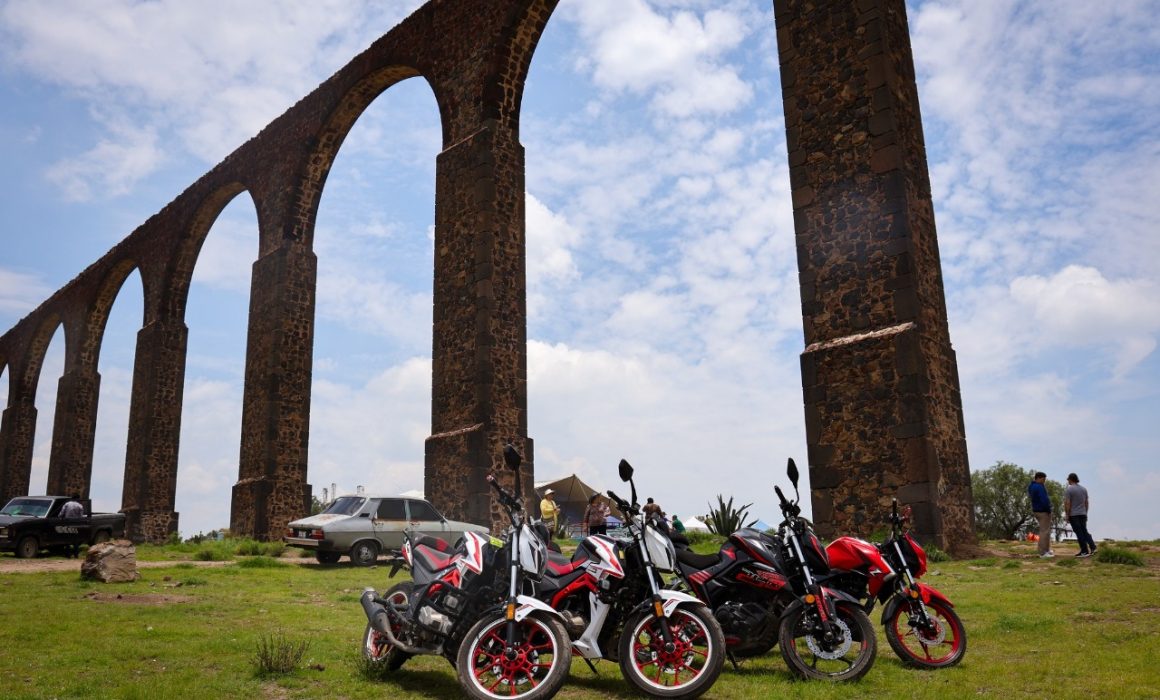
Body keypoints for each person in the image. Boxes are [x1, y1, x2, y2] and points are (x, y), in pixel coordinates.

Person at [1063, 472, 1097, 558]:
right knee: (1084, 531)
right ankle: (1093, 547)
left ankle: (1084, 551)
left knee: (1079, 533)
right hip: (1083, 513)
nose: (1068, 481)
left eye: (1068, 479)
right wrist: (1085, 512)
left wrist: (1067, 515)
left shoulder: (1069, 489)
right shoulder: (1084, 489)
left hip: (1074, 515)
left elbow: (1067, 503)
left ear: (1070, 479)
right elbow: (1086, 502)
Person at [1027, 472, 1054, 558]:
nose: (1044, 481)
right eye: (1043, 479)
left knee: (1045, 530)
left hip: (1036, 510)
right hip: (1043, 511)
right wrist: (1048, 510)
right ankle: (1043, 552)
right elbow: (1044, 500)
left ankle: (1047, 550)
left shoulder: (1031, 486)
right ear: (1038, 478)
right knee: (1044, 531)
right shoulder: (1039, 487)